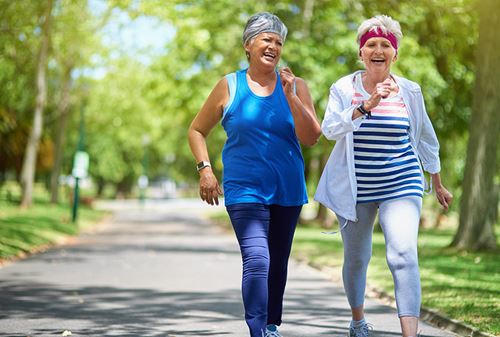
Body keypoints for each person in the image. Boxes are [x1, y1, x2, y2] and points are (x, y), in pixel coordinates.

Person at [315, 15, 453, 337]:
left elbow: (425, 139)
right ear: (361, 53)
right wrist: (367, 105)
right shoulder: (343, 88)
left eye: (385, 45)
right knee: (357, 259)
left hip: (401, 182)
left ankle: (410, 334)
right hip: (357, 187)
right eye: (371, 45)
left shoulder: (410, 91)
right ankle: (358, 320)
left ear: (395, 53)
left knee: (403, 254)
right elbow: (330, 130)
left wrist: (437, 181)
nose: (378, 50)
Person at [188, 12, 321, 337]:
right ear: (249, 44)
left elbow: (312, 137)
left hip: (287, 189)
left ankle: (271, 324)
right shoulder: (229, 85)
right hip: (244, 189)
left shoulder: (296, 85)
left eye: (278, 42)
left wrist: (290, 96)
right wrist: (205, 170)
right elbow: (196, 130)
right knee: (258, 259)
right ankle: (258, 330)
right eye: (266, 39)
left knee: (277, 263)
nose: (273, 46)